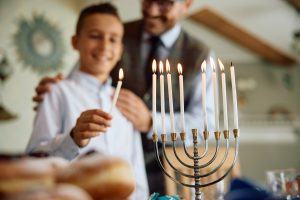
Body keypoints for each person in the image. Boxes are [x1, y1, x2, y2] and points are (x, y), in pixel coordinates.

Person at [32, 0, 215, 194]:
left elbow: (206, 125)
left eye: (164, 3)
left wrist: (152, 122)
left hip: (167, 172)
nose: (152, 11)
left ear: (186, 4)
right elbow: (81, 83)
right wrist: (55, 90)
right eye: (147, 1)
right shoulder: (116, 31)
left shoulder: (200, 56)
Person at [26, 3, 149, 199]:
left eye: (113, 39)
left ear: (120, 48)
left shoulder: (127, 103)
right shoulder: (56, 92)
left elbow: (137, 176)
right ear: (75, 42)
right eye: (95, 36)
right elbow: (35, 160)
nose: (104, 46)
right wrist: (73, 138)